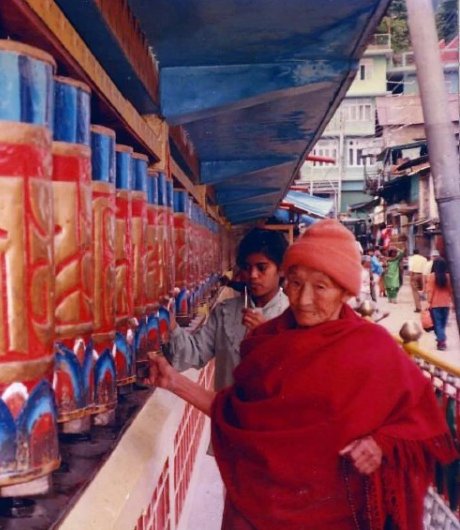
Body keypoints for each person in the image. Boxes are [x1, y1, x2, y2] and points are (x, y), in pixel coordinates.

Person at [146, 220, 456, 529]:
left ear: (345, 292)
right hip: (261, 505)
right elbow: (236, 413)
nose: (304, 299)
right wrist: (172, 380)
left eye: (320, 287)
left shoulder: (372, 348)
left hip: (338, 512)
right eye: (295, 283)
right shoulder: (266, 339)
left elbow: (422, 420)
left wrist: (381, 443)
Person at [166, 228, 289, 390]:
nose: (252, 275)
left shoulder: (292, 314)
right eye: (246, 267)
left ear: (281, 269)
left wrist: (264, 335)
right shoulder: (226, 312)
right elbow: (194, 353)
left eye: (262, 268)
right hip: (228, 414)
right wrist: (171, 322)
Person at [426, 257, 454, 350]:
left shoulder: (432, 276)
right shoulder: (448, 277)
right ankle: (440, 340)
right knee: (442, 324)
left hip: (435, 304)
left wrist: (428, 302)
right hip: (446, 303)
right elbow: (451, 291)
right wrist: (453, 303)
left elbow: (430, 291)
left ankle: (441, 342)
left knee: (437, 324)